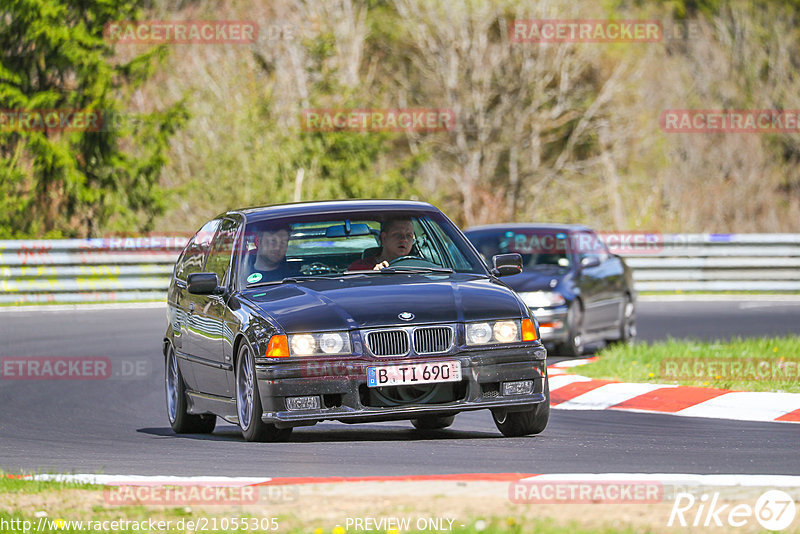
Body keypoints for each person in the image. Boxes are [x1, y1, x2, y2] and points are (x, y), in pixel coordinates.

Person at [348, 217, 416, 270]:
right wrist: (373, 275)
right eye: (397, 234)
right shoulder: (360, 267)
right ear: (383, 238)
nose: (404, 239)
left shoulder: (421, 267)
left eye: (409, 235)